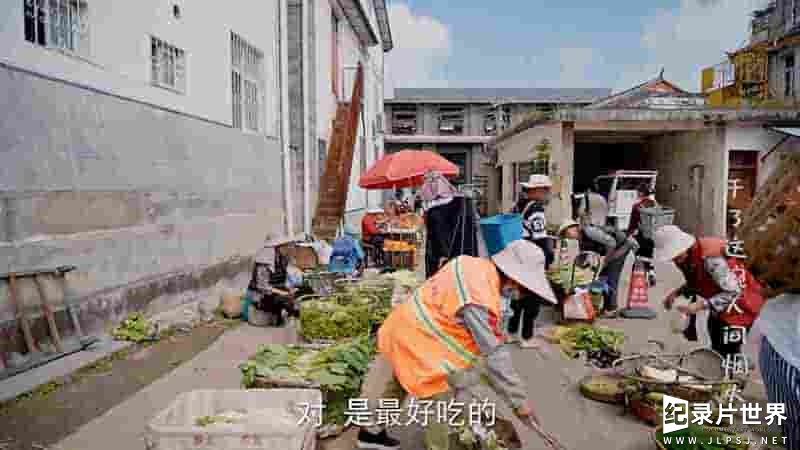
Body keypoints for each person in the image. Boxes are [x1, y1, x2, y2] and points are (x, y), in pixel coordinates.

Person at [357, 240, 562, 450]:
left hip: (405, 328)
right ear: (512, 278)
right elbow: (495, 354)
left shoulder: (469, 264)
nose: (521, 295)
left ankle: (370, 433)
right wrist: (519, 402)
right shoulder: (479, 297)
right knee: (439, 406)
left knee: (401, 381)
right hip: (420, 343)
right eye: (524, 289)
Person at [654, 225, 763, 359]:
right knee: (716, 340)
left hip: (742, 304)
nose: (673, 259)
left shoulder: (712, 259)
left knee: (727, 349)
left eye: (675, 255)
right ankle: (721, 369)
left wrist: (700, 305)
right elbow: (699, 280)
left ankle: (732, 374)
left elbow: (734, 292)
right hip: (721, 304)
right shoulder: (690, 255)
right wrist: (677, 293)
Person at [558, 219, 638, 316]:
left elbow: (611, 243)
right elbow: (583, 256)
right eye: (565, 236)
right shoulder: (580, 238)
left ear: (572, 228)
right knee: (601, 278)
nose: (568, 237)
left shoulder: (589, 231)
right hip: (610, 249)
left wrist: (605, 260)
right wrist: (577, 269)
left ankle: (612, 309)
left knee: (611, 276)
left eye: (566, 233)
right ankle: (606, 306)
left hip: (621, 247)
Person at [246, 241, 298, 327]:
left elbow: (283, 280)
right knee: (285, 300)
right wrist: (284, 293)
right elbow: (262, 286)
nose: (291, 249)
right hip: (260, 297)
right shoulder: (265, 260)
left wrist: (290, 289)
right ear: (281, 247)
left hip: (273, 293)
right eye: (289, 246)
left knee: (296, 295)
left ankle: (283, 318)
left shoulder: (282, 257)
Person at [512, 174, 554, 267]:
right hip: (531, 254)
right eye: (546, 190)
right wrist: (548, 258)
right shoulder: (536, 209)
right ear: (537, 190)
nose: (548, 193)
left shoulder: (519, 204)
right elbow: (540, 238)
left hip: (519, 251)